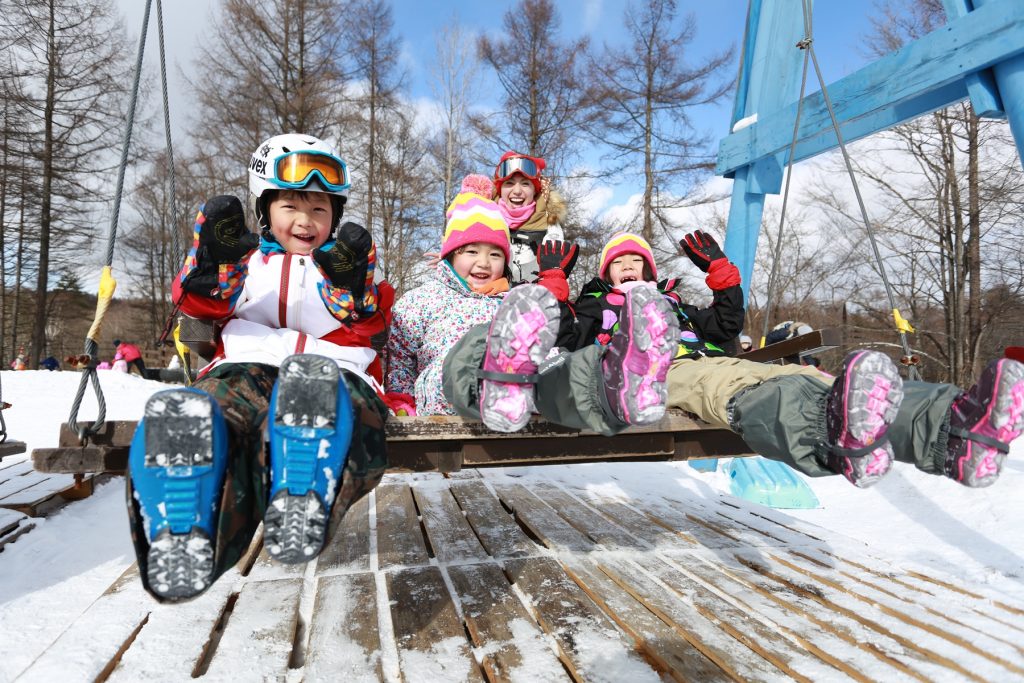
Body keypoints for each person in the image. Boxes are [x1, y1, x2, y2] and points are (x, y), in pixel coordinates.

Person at [126, 133, 392, 603]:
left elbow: (373, 327)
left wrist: (355, 296)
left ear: (335, 217)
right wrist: (212, 275)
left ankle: (302, 491)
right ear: (265, 209)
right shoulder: (246, 263)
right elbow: (200, 305)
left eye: (320, 209)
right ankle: (187, 529)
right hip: (247, 367)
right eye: (291, 206)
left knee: (338, 409)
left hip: (334, 373)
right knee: (217, 416)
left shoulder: (348, 265)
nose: (306, 220)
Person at [571, 230, 1024, 490]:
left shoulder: (676, 304)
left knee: (817, 380)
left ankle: (952, 429)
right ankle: (827, 439)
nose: (628, 267)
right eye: (619, 262)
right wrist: (555, 287)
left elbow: (725, 327)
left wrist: (721, 274)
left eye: (636, 261)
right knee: (742, 389)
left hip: (714, 359)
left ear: (650, 271)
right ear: (606, 273)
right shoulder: (597, 306)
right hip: (657, 373)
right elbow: (565, 338)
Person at [387, 176, 680, 437]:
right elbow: (399, 357)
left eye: (495, 255)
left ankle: (615, 384)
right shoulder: (422, 299)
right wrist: (401, 400)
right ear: (450, 255)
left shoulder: (512, 299)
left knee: (558, 362)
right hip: (448, 387)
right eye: (472, 251)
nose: (483, 262)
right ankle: (500, 375)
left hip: (526, 386)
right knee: (477, 345)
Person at [492, 151, 566, 283]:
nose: (517, 191)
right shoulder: (484, 219)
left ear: (535, 190)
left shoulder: (550, 227)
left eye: (525, 184)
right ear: (500, 189)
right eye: (509, 183)